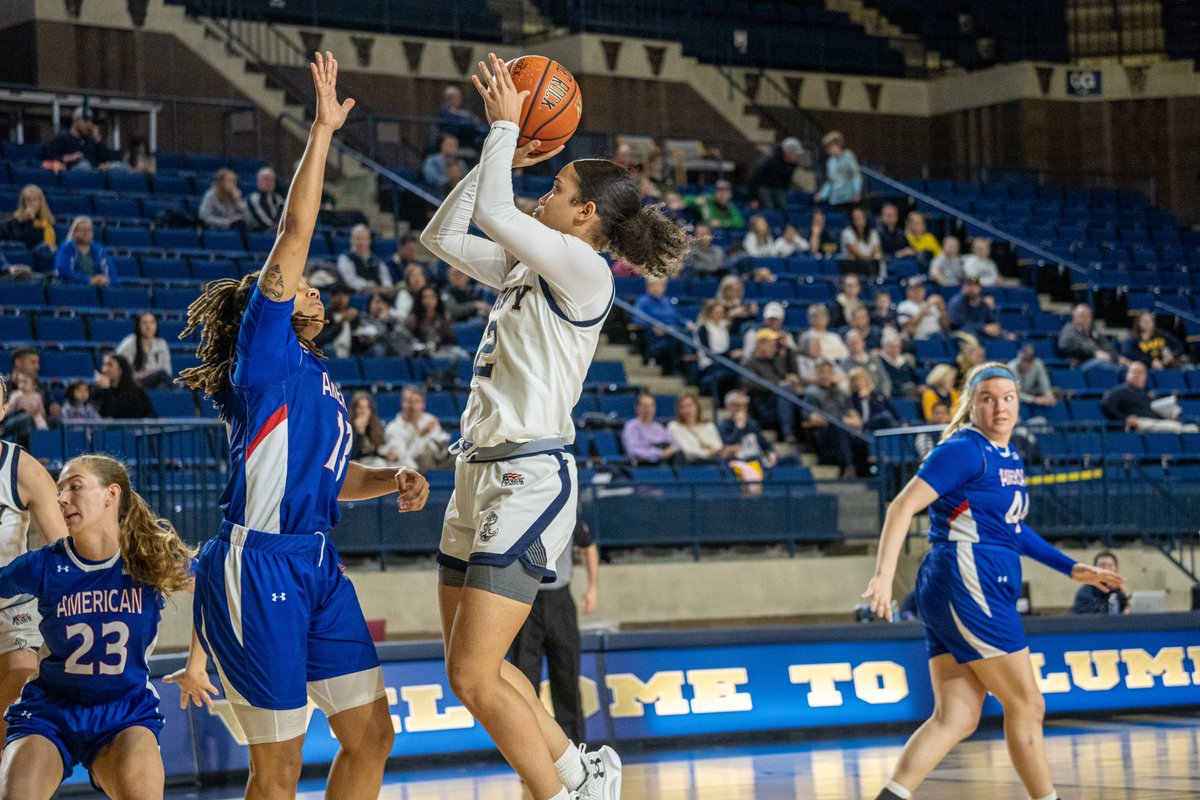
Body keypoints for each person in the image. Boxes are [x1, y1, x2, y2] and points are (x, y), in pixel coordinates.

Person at [419, 52, 688, 800]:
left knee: (478, 672)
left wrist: (506, 129)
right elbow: (441, 237)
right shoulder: (528, 267)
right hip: (476, 474)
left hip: (528, 475)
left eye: (560, 185)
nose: (547, 189)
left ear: (586, 216)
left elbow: (500, 214)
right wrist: (503, 150)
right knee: (472, 672)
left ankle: (559, 793)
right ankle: (582, 772)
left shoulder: (585, 269)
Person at [175, 53, 431, 800]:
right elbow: (295, 227)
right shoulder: (264, 351)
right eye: (298, 282)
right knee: (278, 770)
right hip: (254, 568)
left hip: (314, 562)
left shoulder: (317, 379)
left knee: (371, 735)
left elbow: (323, 480)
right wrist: (322, 131)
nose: (308, 282)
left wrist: (389, 479)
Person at [861, 362, 1123, 800]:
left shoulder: (1009, 456)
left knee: (957, 717)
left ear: (1018, 402)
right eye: (988, 398)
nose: (1000, 407)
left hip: (967, 581)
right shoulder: (965, 449)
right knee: (1028, 704)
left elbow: (1013, 528)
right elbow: (901, 508)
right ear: (971, 404)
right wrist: (883, 578)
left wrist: (1071, 568)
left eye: (1008, 398)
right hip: (968, 578)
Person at [0, 454, 194, 800]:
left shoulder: (149, 558)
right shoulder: (44, 565)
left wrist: (198, 665)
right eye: (59, 491)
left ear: (111, 494)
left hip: (124, 713)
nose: (61, 499)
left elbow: (216, 589)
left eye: (75, 487)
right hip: (50, 710)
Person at [0, 381, 68, 746]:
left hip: (12, 610)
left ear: (2, 411)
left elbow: (64, 552)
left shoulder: (21, 469)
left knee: (21, 677)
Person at [509, 516, 599, 744]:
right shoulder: (518, 509)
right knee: (524, 683)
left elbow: (588, 545)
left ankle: (576, 750)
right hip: (523, 600)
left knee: (567, 677)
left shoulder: (566, 507)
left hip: (560, 601)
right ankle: (530, 754)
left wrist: (593, 587)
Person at [1101, 361, 1199, 433]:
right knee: (1175, 428)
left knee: (1193, 429)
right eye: (1134, 372)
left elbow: (1156, 409)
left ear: (1145, 376)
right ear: (1127, 374)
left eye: (1140, 373)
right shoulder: (1121, 390)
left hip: (1156, 422)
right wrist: (1124, 418)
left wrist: (1168, 415)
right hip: (1140, 424)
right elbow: (1106, 404)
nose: (1137, 375)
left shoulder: (1149, 393)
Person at [805, 360, 862, 477]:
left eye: (828, 372)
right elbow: (813, 418)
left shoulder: (841, 394)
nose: (825, 375)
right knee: (837, 426)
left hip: (845, 430)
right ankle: (848, 467)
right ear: (816, 374)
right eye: (821, 372)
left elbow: (857, 420)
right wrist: (839, 420)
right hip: (825, 435)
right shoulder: (811, 394)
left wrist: (843, 421)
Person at [744, 330, 799, 441]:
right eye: (771, 345)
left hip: (782, 402)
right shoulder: (750, 363)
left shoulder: (776, 360)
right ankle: (788, 432)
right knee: (785, 390)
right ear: (760, 344)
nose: (774, 348)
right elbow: (750, 384)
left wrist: (787, 348)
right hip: (764, 405)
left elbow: (793, 370)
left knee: (803, 396)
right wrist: (776, 385)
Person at [383, 385, 452, 472]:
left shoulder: (429, 419)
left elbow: (439, 447)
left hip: (437, 463)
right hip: (413, 470)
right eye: (408, 402)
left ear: (423, 404)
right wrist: (421, 436)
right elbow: (403, 461)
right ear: (402, 403)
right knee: (422, 458)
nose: (413, 406)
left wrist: (442, 445)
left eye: (416, 402)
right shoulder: (393, 429)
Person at [717, 390, 777, 490]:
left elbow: (765, 445)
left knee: (793, 459)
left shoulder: (752, 424)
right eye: (737, 405)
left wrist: (771, 452)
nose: (741, 409)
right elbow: (729, 447)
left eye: (744, 406)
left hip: (758, 459)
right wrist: (739, 427)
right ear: (728, 407)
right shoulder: (723, 426)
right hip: (740, 461)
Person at [634, 276, 690, 375]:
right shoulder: (642, 301)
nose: (657, 288)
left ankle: (684, 368)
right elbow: (638, 319)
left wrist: (687, 323)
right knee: (678, 338)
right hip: (656, 336)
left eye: (660, 285)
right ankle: (676, 369)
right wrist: (652, 326)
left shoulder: (667, 301)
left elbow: (677, 317)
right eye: (653, 285)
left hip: (674, 331)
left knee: (688, 333)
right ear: (647, 287)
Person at [695, 300, 740, 403]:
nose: (719, 315)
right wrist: (728, 355)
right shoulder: (704, 328)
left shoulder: (723, 328)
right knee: (726, 374)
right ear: (710, 313)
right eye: (716, 312)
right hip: (710, 363)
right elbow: (707, 351)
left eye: (721, 312)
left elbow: (725, 348)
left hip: (723, 362)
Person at [115, 311, 174, 389]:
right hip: (133, 383)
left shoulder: (161, 343)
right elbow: (117, 369)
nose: (149, 327)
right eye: (144, 323)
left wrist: (151, 374)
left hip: (155, 382)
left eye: (152, 323)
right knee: (162, 375)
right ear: (138, 326)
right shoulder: (129, 343)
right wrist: (140, 375)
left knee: (163, 383)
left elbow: (168, 371)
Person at [747, 137, 803, 213]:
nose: (797, 157)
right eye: (795, 154)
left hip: (777, 188)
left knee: (784, 207)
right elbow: (754, 179)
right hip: (763, 186)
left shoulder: (791, 165)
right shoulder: (769, 161)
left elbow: (786, 181)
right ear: (787, 152)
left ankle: (786, 224)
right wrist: (753, 198)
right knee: (769, 207)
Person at [54, 216, 114, 286]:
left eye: (89, 230)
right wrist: (89, 280)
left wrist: (107, 280)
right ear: (74, 232)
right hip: (71, 287)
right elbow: (64, 271)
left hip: (97, 287)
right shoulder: (67, 247)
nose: (86, 233)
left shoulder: (99, 249)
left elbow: (111, 272)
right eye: (82, 230)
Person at [621, 393, 678, 466]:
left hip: (665, 458)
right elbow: (633, 450)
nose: (648, 409)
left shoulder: (658, 427)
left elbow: (671, 443)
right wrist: (659, 453)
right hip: (646, 463)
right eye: (644, 406)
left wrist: (672, 449)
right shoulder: (631, 426)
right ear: (637, 408)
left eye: (651, 406)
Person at [668, 392, 726, 463]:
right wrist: (708, 453)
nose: (687, 410)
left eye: (690, 406)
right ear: (678, 410)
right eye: (683, 407)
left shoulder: (709, 425)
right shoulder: (674, 426)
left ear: (697, 407)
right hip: (693, 463)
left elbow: (718, 446)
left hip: (715, 460)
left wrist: (716, 451)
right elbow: (686, 450)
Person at [44, 107, 110, 170]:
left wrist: (97, 140)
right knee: (84, 165)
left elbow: (104, 160)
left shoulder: (90, 140)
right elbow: (49, 158)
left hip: (92, 173)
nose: (88, 124)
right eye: (85, 120)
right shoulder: (62, 137)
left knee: (116, 165)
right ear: (75, 119)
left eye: (90, 121)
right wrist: (69, 157)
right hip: (71, 173)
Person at [93, 354, 155, 419]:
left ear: (120, 370)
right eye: (104, 365)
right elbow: (104, 416)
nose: (104, 369)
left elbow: (152, 415)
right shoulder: (98, 391)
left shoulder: (137, 392)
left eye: (110, 365)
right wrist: (106, 390)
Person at [1057, 304, 1119, 370]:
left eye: (1088, 316)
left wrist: (1112, 357)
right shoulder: (1069, 329)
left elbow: (1107, 347)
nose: (1086, 319)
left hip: (1098, 362)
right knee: (1103, 365)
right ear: (1075, 317)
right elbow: (1065, 344)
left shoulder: (1094, 333)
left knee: (1121, 366)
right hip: (1080, 364)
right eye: (1082, 316)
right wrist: (1094, 353)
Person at [407, 285, 462, 358]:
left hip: (441, 356)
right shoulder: (413, 321)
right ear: (420, 300)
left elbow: (449, 341)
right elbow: (408, 342)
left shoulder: (443, 320)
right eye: (425, 297)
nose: (428, 301)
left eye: (432, 297)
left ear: (437, 299)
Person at [337, 224, 393, 293]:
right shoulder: (345, 258)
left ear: (369, 241)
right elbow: (350, 280)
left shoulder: (376, 260)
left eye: (364, 239)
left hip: (381, 292)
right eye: (358, 239)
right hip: (360, 292)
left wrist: (386, 287)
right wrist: (367, 285)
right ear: (351, 240)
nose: (361, 242)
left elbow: (385, 277)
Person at [814, 130, 861, 208]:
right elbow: (830, 181)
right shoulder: (830, 161)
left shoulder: (848, 156)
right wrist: (822, 194)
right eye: (827, 149)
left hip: (849, 198)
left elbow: (855, 175)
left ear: (838, 144)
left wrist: (857, 192)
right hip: (835, 199)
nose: (829, 151)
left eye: (830, 147)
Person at [2, 184, 56, 251]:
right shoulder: (14, 221)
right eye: (28, 200)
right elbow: (24, 242)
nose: (32, 203)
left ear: (41, 202)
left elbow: (39, 243)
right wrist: (30, 221)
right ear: (23, 203)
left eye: (35, 200)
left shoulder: (47, 223)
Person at [434, 84, 487, 151]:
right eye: (457, 97)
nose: (460, 99)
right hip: (457, 141)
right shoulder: (443, 112)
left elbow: (475, 120)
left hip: (470, 138)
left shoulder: (464, 112)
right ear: (450, 98)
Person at [848, 366, 900, 431]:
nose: (857, 383)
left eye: (860, 379)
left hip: (883, 421)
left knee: (887, 417)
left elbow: (887, 409)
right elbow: (859, 416)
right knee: (885, 416)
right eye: (854, 380)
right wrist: (861, 399)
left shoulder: (877, 394)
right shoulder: (851, 398)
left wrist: (869, 399)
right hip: (866, 425)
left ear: (866, 379)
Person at [896, 277, 948, 341]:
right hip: (922, 339)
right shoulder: (904, 306)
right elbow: (909, 327)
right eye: (915, 289)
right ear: (908, 291)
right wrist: (925, 309)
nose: (919, 291)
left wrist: (942, 310)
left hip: (939, 337)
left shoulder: (932, 305)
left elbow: (946, 328)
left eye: (921, 288)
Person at [348, 392, 388, 468]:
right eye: (360, 407)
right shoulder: (348, 427)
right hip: (356, 463)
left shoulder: (375, 426)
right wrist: (359, 433)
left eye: (367, 407)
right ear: (354, 410)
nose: (364, 411)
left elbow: (376, 451)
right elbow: (352, 456)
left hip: (372, 462)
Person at [741, 215, 806, 258]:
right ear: (754, 226)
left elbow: (772, 252)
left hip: (766, 262)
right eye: (762, 224)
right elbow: (752, 254)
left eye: (765, 223)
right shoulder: (750, 236)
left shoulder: (768, 236)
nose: (765, 225)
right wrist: (766, 251)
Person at [880, 333, 921, 400]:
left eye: (897, 347)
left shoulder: (904, 362)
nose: (895, 349)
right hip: (892, 392)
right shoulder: (880, 362)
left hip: (909, 391)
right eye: (891, 347)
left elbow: (914, 377)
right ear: (884, 347)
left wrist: (919, 386)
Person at [247, 166, 285, 231]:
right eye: (266, 179)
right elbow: (261, 219)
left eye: (272, 179)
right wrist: (275, 227)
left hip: (277, 231)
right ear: (258, 182)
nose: (269, 182)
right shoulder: (253, 198)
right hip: (260, 233)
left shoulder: (279, 198)